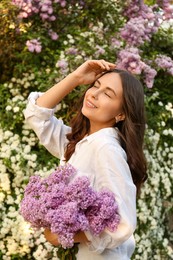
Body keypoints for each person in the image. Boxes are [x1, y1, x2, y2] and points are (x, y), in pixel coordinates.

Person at [23, 59, 147, 260]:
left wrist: (64, 235)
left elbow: (123, 224)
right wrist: (76, 78)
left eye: (107, 94)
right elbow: (36, 116)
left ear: (122, 113)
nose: (94, 94)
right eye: (96, 86)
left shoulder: (106, 148)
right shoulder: (80, 142)